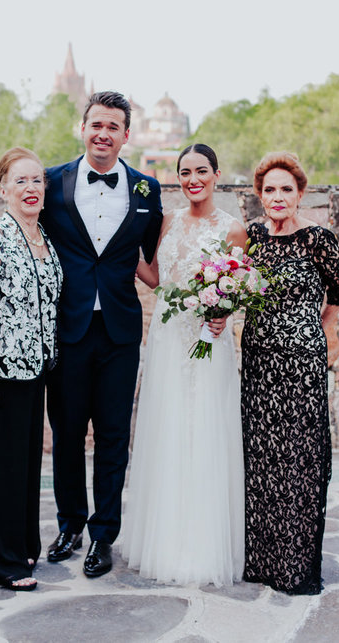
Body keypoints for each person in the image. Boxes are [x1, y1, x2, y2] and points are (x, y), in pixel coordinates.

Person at [39, 90, 163, 578]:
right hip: (66, 329)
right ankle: (69, 524)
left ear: (126, 136)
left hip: (119, 332)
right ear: (82, 128)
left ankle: (103, 535)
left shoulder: (147, 191)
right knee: (67, 433)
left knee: (113, 436)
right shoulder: (51, 183)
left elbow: (152, 258)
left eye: (114, 127)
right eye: (96, 125)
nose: (103, 134)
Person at [120, 143, 247, 586]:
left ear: (216, 174)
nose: (193, 179)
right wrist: (121, 253)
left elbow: (237, 284)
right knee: (168, 430)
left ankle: (202, 546)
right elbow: (157, 277)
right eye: (185, 172)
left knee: (205, 431)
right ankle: (164, 539)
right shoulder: (168, 221)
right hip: (168, 340)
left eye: (201, 171)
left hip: (206, 343)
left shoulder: (233, 229)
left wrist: (223, 310)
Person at [241, 152, 339, 595]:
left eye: (287, 189)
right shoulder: (250, 237)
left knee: (301, 461)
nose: (278, 196)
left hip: (302, 365)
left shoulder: (319, 239)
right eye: (270, 189)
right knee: (262, 461)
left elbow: (338, 294)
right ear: (260, 197)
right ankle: (263, 560)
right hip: (258, 365)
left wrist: (325, 333)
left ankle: (296, 566)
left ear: (300, 194)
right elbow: (228, 287)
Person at [0, 147, 63, 592]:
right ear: (2, 189)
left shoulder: (44, 239)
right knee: (1, 468)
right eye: (20, 181)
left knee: (24, 465)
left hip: (35, 370)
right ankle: (3, 563)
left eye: (36, 180)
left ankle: (24, 545)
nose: (30, 188)